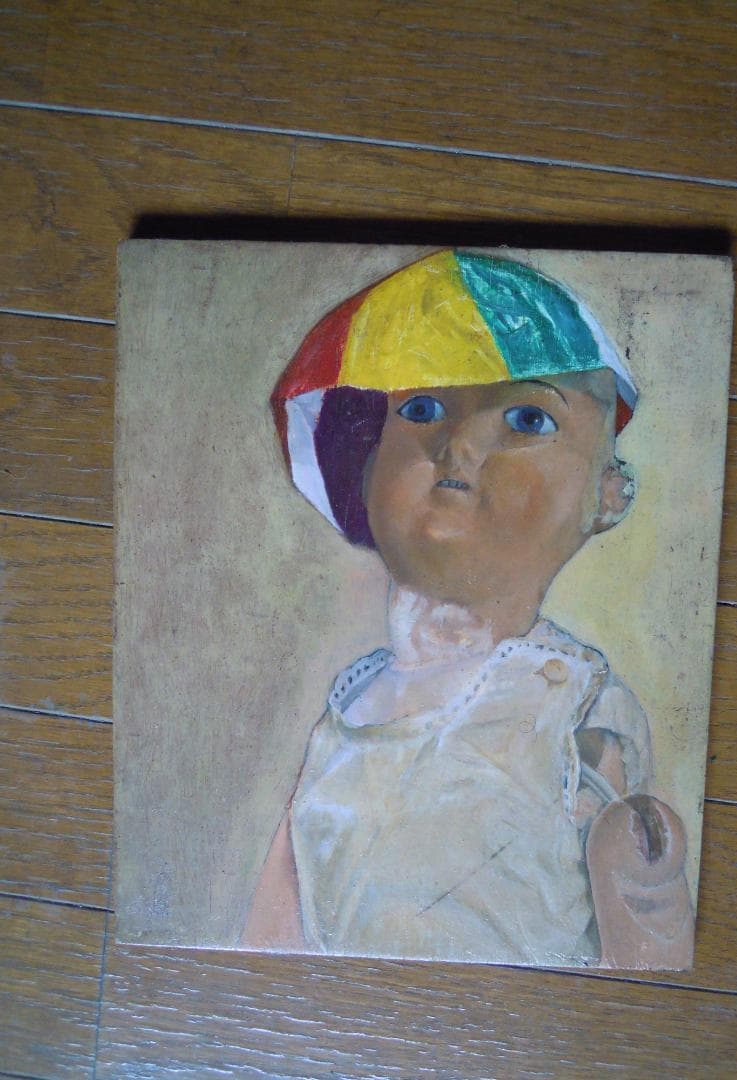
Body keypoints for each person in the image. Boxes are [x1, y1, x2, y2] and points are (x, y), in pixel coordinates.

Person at [242, 250, 694, 968]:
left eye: (527, 417)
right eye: (420, 409)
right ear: (366, 468)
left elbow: (637, 948)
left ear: (608, 495)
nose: (459, 447)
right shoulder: (348, 712)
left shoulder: (573, 704)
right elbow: (271, 936)